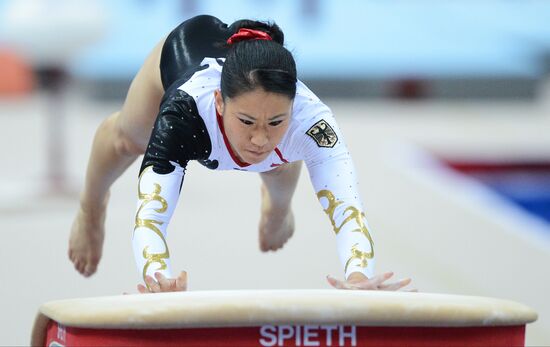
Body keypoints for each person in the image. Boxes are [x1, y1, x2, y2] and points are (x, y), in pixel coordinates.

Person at [68, 15, 413, 293]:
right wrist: (159, 276)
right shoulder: (184, 113)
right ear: (220, 101)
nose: (260, 138)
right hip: (188, 44)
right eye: (247, 121)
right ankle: (90, 208)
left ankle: (277, 209)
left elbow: (349, 211)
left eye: (276, 120)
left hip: (271, 131)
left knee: (281, 156)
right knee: (128, 140)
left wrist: (358, 275)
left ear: (294, 106)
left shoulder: (313, 121)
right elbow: (152, 217)